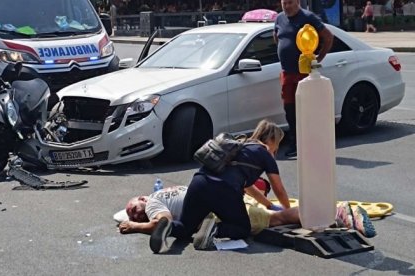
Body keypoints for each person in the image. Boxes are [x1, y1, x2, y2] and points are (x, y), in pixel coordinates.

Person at [148, 119, 292, 254]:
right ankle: (214, 229)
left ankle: (167, 225)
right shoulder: (264, 153)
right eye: (277, 146)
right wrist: (288, 211)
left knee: (185, 228)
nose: (275, 150)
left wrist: (269, 205)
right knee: (242, 228)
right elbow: (278, 189)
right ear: (272, 140)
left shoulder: (239, 144)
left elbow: (249, 189)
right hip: (225, 191)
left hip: (199, 182)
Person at [119, 182, 376, 239]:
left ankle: (338, 211)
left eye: (133, 209)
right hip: (225, 197)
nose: (135, 213)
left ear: (142, 197)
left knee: (277, 219)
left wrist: (135, 226)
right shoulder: (167, 192)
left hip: (220, 209)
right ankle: (331, 214)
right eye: (132, 215)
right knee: (274, 216)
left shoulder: (154, 201)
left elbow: (161, 222)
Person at [273, 0, 333, 157]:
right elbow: (277, 37)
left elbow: (328, 37)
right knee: (290, 110)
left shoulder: (308, 17)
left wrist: (318, 59)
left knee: (306, 111)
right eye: (284, 3)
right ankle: (295, 143)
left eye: (290, 3)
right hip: (287, 73)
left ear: (298, 2)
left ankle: (311, 143)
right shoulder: (279, 18)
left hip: (304, 73)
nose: (287, 6)